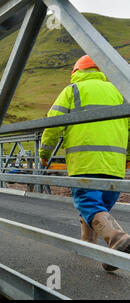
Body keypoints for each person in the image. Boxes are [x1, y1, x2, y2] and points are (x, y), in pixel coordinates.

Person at [39, 55, 130, 272]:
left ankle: (117, 239)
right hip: (114, 166)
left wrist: (45, 152)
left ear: (76, 71)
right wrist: (127, 158)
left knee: (88, 204)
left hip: (85, 163)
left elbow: (53, 124)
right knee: (99, 209)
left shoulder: (73, 91)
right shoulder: (119, 92)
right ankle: (93, 249)